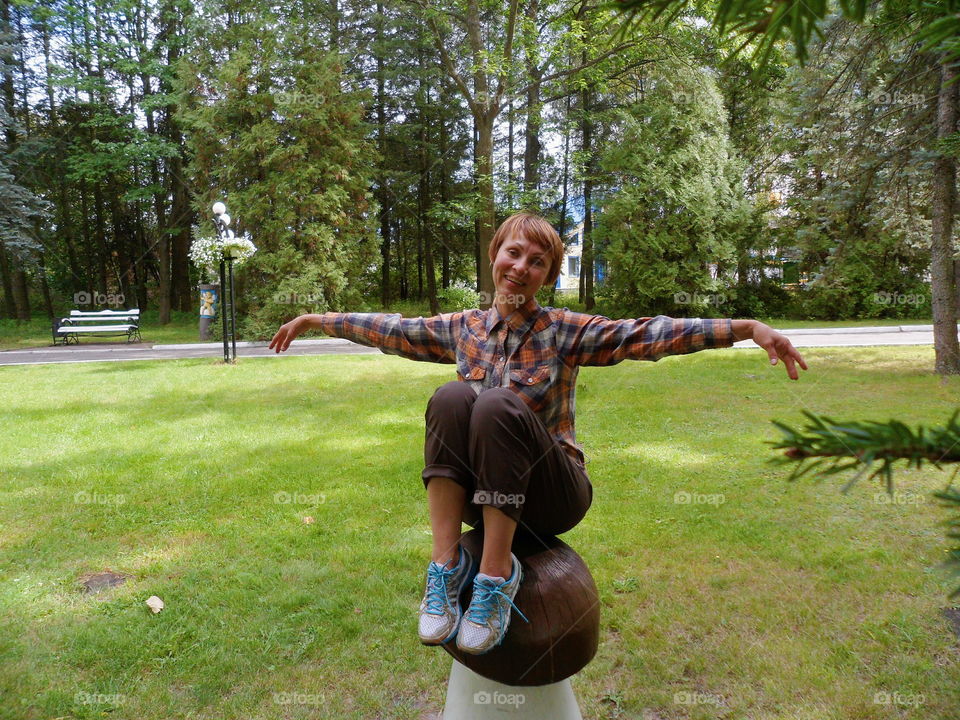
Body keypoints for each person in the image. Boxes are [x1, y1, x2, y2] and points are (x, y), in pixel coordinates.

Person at [268, 212, 808, 656]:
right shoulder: (465, 329)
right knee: (451, 396)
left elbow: (648, 334)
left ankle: (496, 581)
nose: (520, 267)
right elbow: (392, 329)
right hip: (488, 498)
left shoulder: (564, 331)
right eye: (513, 253)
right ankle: (446, 567)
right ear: (494, 255)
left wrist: (744, 329)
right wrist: (318, 319)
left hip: (553, 495)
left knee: (497, 402)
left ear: (546, 276)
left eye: (537, 261)